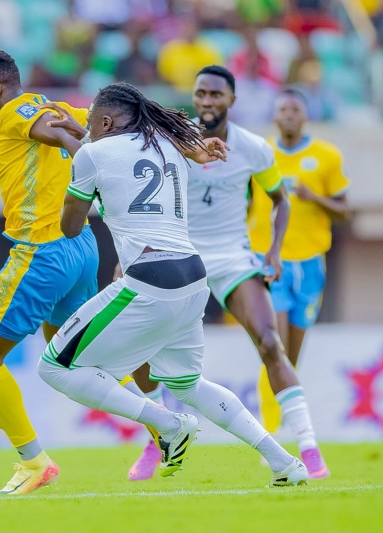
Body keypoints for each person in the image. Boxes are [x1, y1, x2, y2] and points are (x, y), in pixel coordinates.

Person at [37, 83, 308, 487]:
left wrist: (76, 159)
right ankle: (285, 462)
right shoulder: (167, 148)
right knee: (187, 382)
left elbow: (71, 226)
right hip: (192, 277)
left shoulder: (93, 153)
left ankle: (167, 423)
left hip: (148, 278)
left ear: (106, 122)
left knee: (54, 366)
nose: (88, 127)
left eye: (92, 119)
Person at [126, 67, 328, 481]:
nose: (207, 101)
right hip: (180, 253)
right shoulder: (172, 141)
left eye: (216, 94)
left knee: (271, 342)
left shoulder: (254, 148)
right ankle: (157, 437)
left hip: (233, 256)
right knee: (140, 348)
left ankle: (308, 447)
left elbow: (280, 200)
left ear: (232, 100)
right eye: (200, 93)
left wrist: (272, 250)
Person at [0, 50, 100, 495]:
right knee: (73, 359)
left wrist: (88, 163)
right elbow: (92, 123)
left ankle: (33, 461)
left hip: (42, 253)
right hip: (80, 245)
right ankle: (161, 422)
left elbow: (54, 135)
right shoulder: (56, 105)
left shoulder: (15, 111)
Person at [248, 90, 350, 454]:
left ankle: (289, 425)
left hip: (310, 266)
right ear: (275, 117)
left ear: (305, 116)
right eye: (282, 110)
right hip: (270, 263)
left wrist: (314, 198)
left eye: (295, 109)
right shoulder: (260, 154)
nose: (289, 115)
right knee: (270, 344)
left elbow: (345, 211)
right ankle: (269, 433)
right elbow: (244, 203)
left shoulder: (326, 156)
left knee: (291, 356)